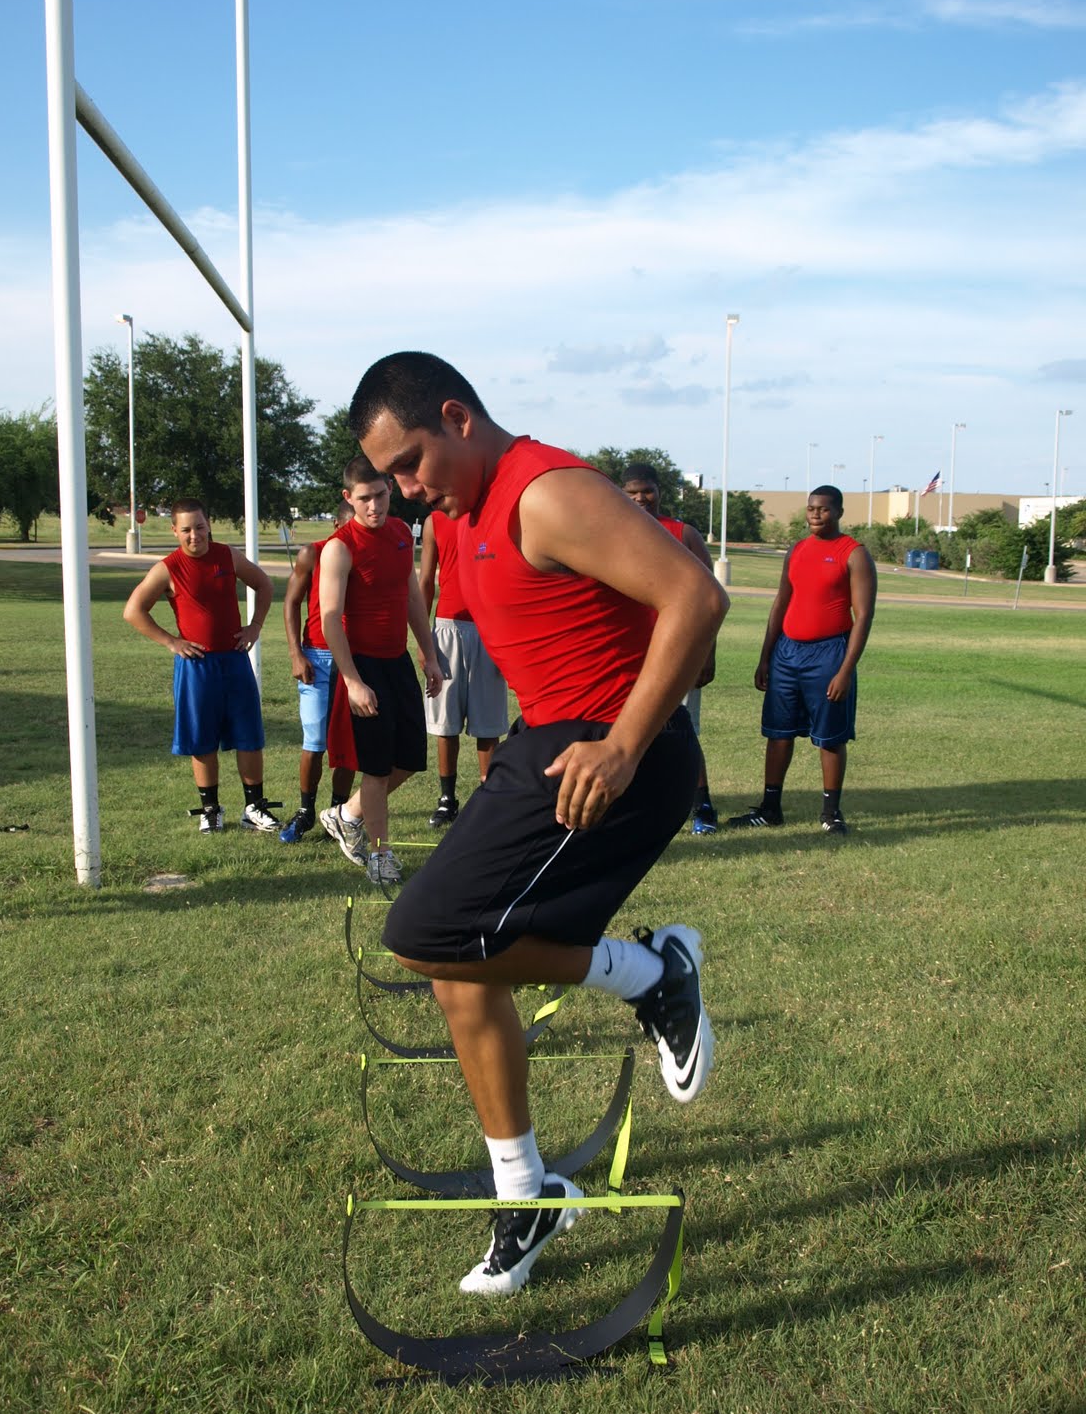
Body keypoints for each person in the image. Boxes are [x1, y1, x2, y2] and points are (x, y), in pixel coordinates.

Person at [349, 352, 728, 1295]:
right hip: (544, 746)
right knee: (458, 972)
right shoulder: (462, 513)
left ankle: (652, 975)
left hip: (616, 755)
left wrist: (624, 745)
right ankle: (528, 1195)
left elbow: (697, 597)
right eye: (390, 476)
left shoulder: (547, 491)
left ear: (456, 417)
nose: (405, 490)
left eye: (410, 463)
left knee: (424, 931)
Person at [317, 456, 442, 886]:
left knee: (408, 759)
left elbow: (412, 598)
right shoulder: (339, 547)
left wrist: (429, 654)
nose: (374, 506)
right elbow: (330, 619)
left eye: (380, 495)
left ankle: (347, 814)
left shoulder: (402, 533)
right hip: (362, 665)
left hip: (397, 661)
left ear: (391, 488)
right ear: (348, 498)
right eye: (364, 499)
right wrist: (353, 681)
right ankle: (379, 853)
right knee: (376, 767)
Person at [727, 485, 876, 834]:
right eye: (811, 508)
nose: (816, 514)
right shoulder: (797, 550)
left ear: (838, 512)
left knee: (830, 736)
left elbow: (864, 615)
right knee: (778, 732)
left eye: (823, 509)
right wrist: (766, 656)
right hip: (787, 652)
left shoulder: (853, 553)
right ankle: (770, 809)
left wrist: (845, 670)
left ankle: (831, 812)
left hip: (829, 653)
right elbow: (781, 602)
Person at [123, 499, 278, 833]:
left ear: (209, 525)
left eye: (200, 527)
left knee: (249, 735)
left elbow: (264, 584)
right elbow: (133, 610)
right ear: (174, 531)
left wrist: (255, 626)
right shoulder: (168, 568)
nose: (194, 535)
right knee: (201, 738)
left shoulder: (227, 556)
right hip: (196, 666)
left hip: (234, 659)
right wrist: (172, 642)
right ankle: (211, 809)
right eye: (186, 530)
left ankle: (254, 807)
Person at [620, 462, 719, 833]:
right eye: (631, 492)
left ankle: (702, 805)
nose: (640, 498)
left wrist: (707, 653)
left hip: (679, 650)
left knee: (682, 729)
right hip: (629, 652)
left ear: (660, 490)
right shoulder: (614, 531)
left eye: (647, 490)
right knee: (628, 727)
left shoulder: (683, 533)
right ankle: (637, 805)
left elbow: (711, 597)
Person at [418, 507, 510, 827]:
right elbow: (425, 581)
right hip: (447, 629)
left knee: (488, 724)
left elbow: (509, 577)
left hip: (490, 628)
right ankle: (447, 800)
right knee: (446, 722)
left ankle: (489, 800)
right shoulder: (434, 521)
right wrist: (424, 642)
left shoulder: (495, 512)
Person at [279, 500, 356, 843]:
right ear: (337, 526)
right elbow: (292, 601)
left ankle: (337, 813)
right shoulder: (314, 553)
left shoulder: (368, 555)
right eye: (349, 528)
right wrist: (296, 653)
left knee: (349, 743)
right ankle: (306, 810)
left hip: (354, 658)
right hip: (318, 657)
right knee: (314, 740)